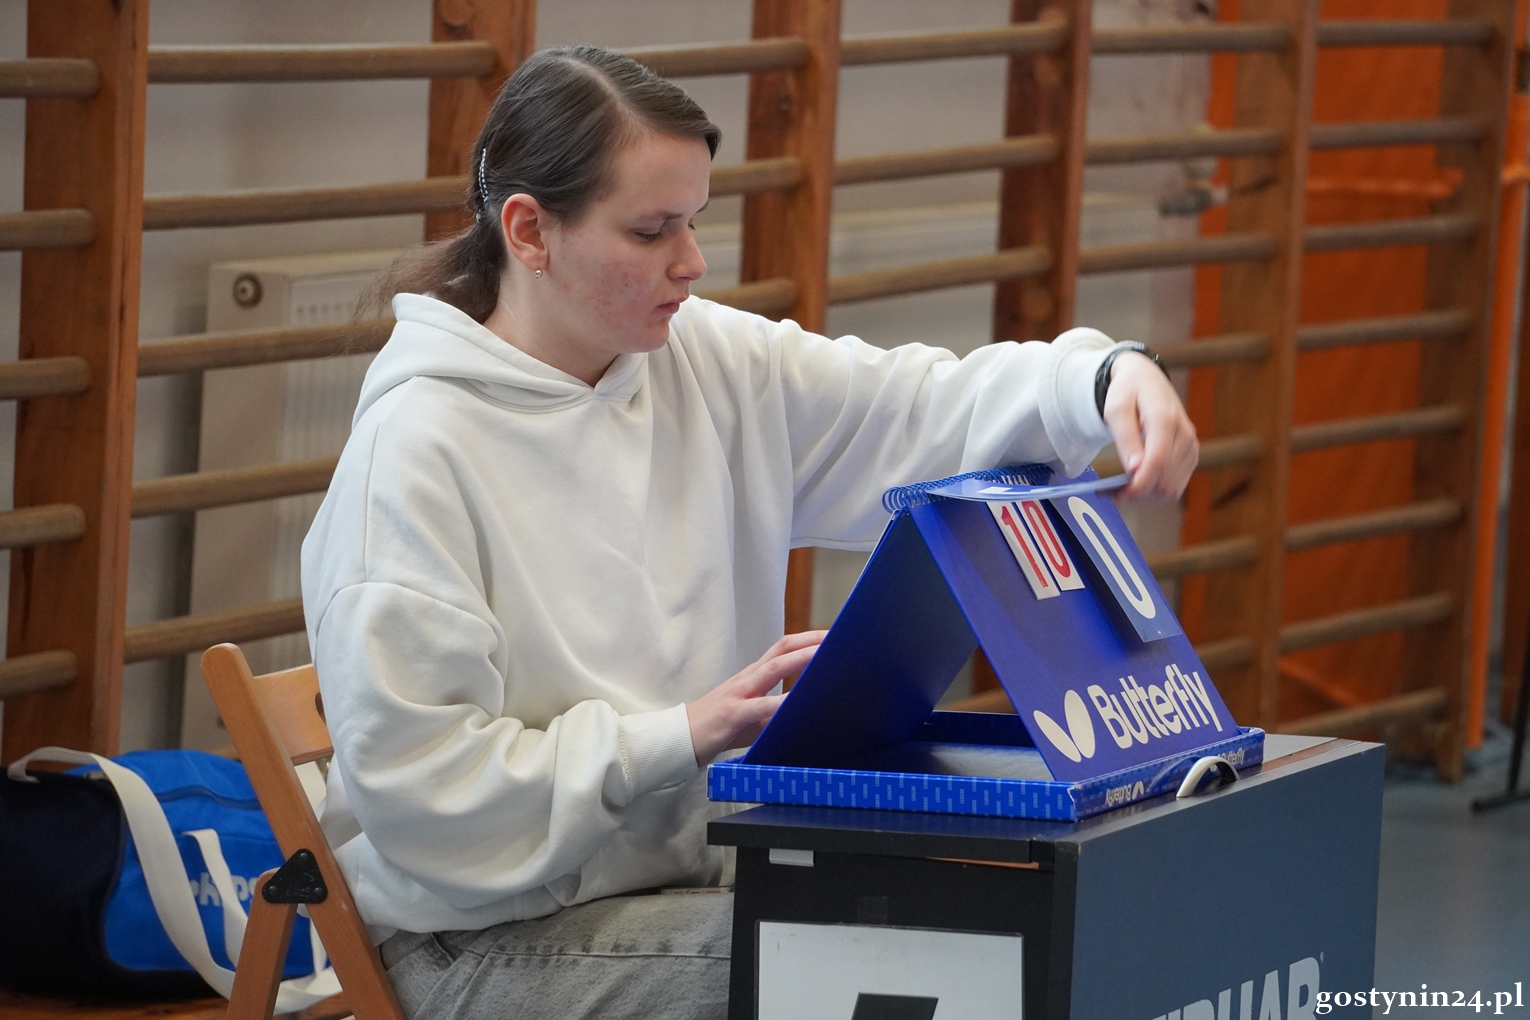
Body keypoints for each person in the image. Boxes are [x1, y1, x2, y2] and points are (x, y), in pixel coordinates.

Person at [302, 44, 1198, 1020]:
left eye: (693, 220)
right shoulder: (416, 451)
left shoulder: (704, 358)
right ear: (529, 231)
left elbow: (917, 410)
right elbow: (424, 794)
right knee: (898, 971)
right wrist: (680, 736)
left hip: (690, 879)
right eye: (650, 230)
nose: (690, 261)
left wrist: (1102, 377)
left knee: (989, 930)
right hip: (478, 938)